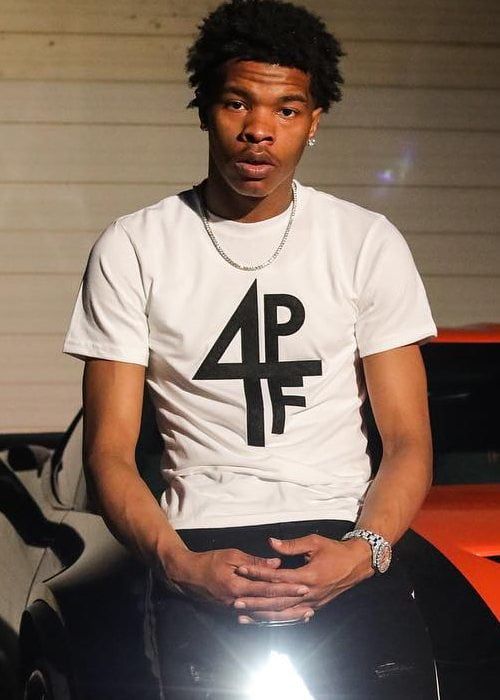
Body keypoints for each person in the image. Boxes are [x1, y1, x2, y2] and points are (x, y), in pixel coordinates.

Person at [63, 0, 440, 697]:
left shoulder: (364, 241)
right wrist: (177, 563)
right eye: (238, 102)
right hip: (200, 546)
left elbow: (409, 440)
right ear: (205, 106)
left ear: (315, 119)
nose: (260, 130)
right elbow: (110, 452)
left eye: (287, 110)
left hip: (348, 539)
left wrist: (365, 552)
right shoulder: (135, 246)